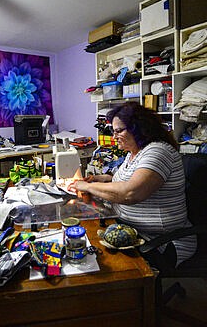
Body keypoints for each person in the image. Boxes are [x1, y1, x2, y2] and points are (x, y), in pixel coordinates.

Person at [68, 102, 196, 268]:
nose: (114, 137)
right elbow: (125, 180)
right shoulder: (134, 153)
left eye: (118, 131)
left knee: (100, 264)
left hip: (162, 242)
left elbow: (130, 193)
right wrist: (103, 179)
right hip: (129, 230)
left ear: (139, 128)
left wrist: (86, 186)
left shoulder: (158, 151)